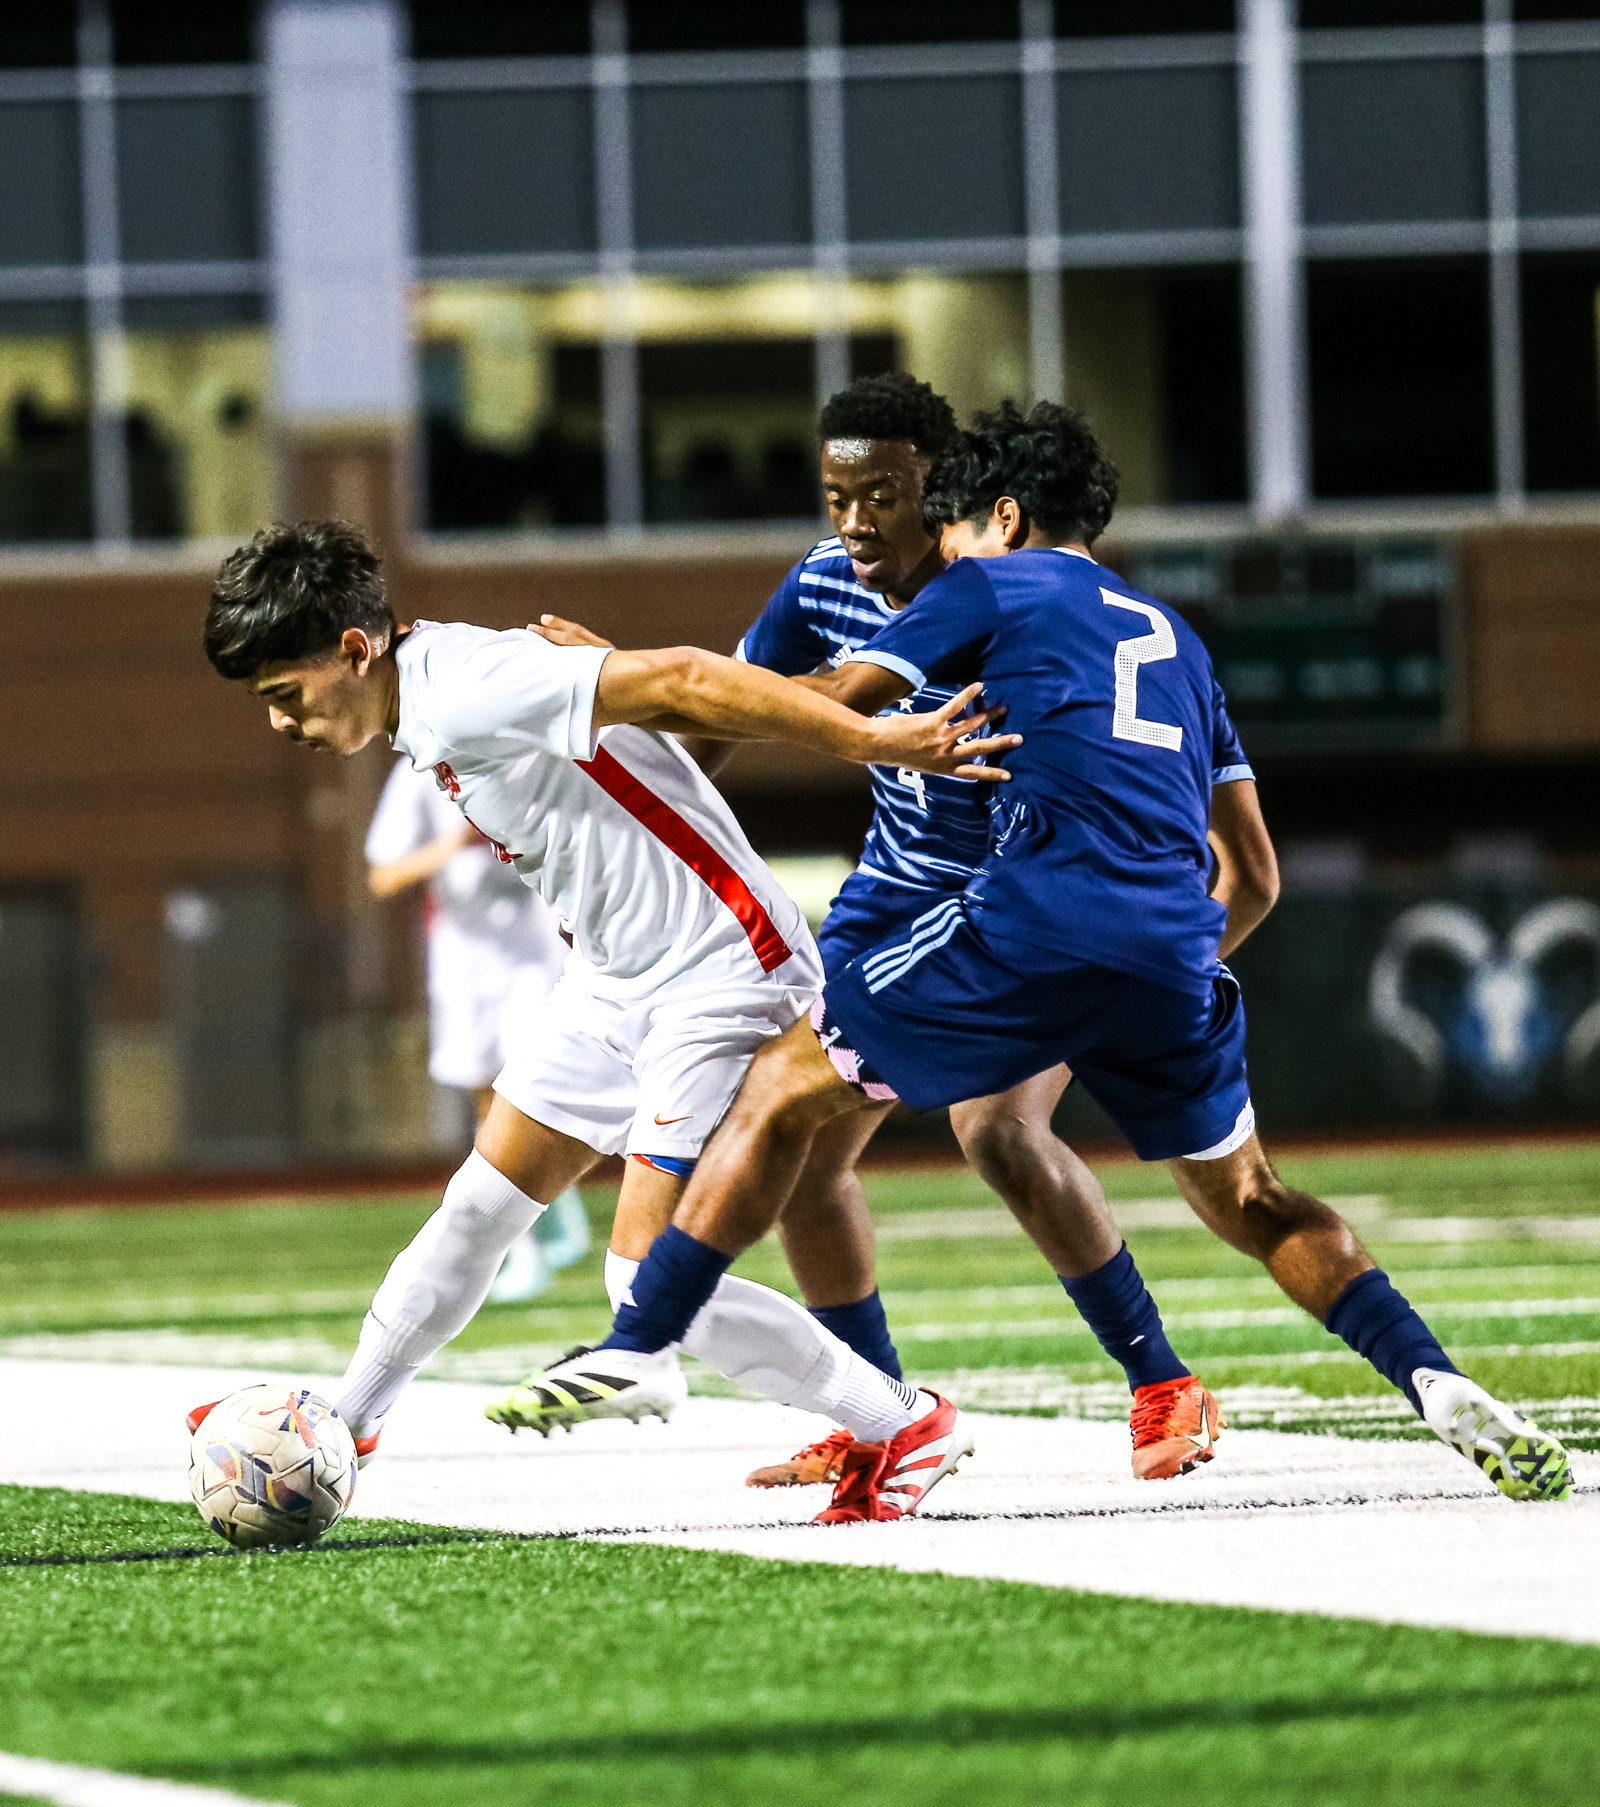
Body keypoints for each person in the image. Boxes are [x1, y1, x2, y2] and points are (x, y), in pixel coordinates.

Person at [538, 401, 1574, 1520]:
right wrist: (1147, 969)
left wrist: (625, 676)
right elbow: (1257, 876)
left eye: (954, 524)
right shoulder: (1178, 638)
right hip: (1174, 953)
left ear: (1004, 516)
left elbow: (836, 704)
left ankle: (642, 1343)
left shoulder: (987, 584)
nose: (942, 547)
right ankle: (1433, 1377)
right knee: (1252, 1197)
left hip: (1026, 922)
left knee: (781, 1089)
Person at [188, 520, 1014, 1498]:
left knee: (644, 1281)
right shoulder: (431, 688)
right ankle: (348, 1425)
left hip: (720, 972)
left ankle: (904, 1422)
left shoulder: (467, 682)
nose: (279, 721)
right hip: (615, 981)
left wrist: (870, 739)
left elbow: (685, 678)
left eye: (285, 693)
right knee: (477, 1210)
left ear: (355, 649)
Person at [714, 372, 1233, 1487]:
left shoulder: (1003, 587)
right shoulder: (821, 578)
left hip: (1015, 899)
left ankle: (1160, 1378)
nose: (858, 522)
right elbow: (732, 706)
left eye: (884, 496)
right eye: (838, 497)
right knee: (802, 1157)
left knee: (995, 1130)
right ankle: (878, 1415)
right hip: (886, 894)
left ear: (943, 494)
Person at [364, 759, 590, 1301]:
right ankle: (543, 1231)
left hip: (535, 954)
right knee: (489, 1104)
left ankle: (544, 1226)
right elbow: (383, 876)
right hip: (463, 961)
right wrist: (456, 844)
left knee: (535, 1090)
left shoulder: (520, 753)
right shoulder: (418, 772)